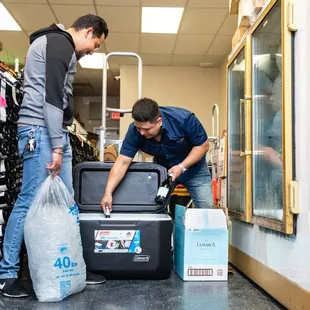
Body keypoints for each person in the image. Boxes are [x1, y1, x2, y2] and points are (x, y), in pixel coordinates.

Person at [0, 14, 109, 298]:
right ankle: (6, 273)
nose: (92, 50)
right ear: (88, 32)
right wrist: (58, 146)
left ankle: (72, 267)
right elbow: (50, 98)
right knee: (29, 202)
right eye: (95, 44)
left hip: (52, 130)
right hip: (41, 132)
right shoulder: (59, 44)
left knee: (65, 203)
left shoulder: (58, 46)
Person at [101, 98, 212, 214]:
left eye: (146, 129)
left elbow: (203, 146)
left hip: (193, 169)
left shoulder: (184, 119)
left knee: (207, 209)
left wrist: (181, 167)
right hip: (163, 171)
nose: (141, 133)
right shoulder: (134, 131)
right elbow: (122, 162)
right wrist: (108, 193)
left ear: (159, 121)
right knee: (155, 209)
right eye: (138, 128)